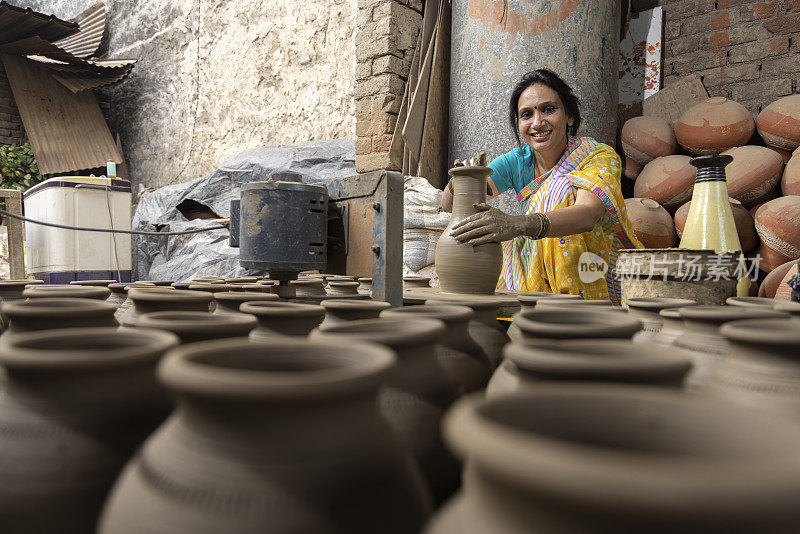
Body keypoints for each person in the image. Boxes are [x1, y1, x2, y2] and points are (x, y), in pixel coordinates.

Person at [442, 69, 641, 302]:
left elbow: (587, 214)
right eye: (526, 115)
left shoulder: (598, 156)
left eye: (548, 110)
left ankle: (575, 310)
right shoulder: (517, 161)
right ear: (519, 124)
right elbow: (449, 205)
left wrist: (518, 223)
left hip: (596, 273)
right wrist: (462, 179)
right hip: (537, 282)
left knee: (557, 192)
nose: (537, 123)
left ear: (569, 116)